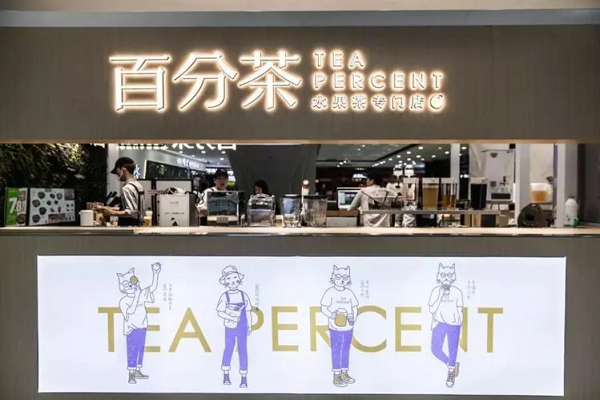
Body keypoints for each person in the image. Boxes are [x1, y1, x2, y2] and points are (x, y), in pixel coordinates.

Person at [216, 265, 253, 389]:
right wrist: (231, 318)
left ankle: (244, 378)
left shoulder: (243, 295)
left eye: (235, 278)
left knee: (243, 350)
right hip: (230, 327)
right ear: (225, 282)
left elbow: (248, 311)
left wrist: (249, 325)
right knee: (229, 349)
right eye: (229, 279)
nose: (233, 281)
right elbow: (220, 312)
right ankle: (226, 375)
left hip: (242, 326)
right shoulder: (224, 296)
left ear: (239, 279)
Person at [96, 157, 145, 226]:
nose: (117, 174)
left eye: (117, 171)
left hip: (129, 227)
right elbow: (131, 209)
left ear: (123, 170)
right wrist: (105, 208)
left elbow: (130, 212)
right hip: (139, 225)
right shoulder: (138, 185)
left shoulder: (127, 188)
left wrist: (112, 213)